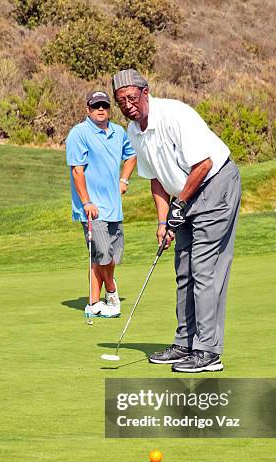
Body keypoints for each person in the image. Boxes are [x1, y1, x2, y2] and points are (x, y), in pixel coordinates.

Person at [112, 69, 241, 372]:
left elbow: (204, 163)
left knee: (203, 268)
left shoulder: (175, 115)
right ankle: (185, 343)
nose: (128, 105)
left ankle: (208, 352)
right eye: (121, 101)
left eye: (131, 97)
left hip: (215, 185)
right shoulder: (134, 131)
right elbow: (156, 178)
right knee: (183, 269)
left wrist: (180, 203)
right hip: (185, 193)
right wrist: (163, 221)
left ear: (145, 92)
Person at [66, 90, 136, 317]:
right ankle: (112, 291)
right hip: (92, 208)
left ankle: (94, 304)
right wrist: (86, 202)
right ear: (88, 109)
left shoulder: (119, 132)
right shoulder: (79, 133)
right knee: (103, 252)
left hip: (114, 206)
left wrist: (124, 179)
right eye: (96, 106)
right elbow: (77, 171)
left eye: (104, 106)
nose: (100, 110)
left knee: (109, 257)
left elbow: (131, 155)